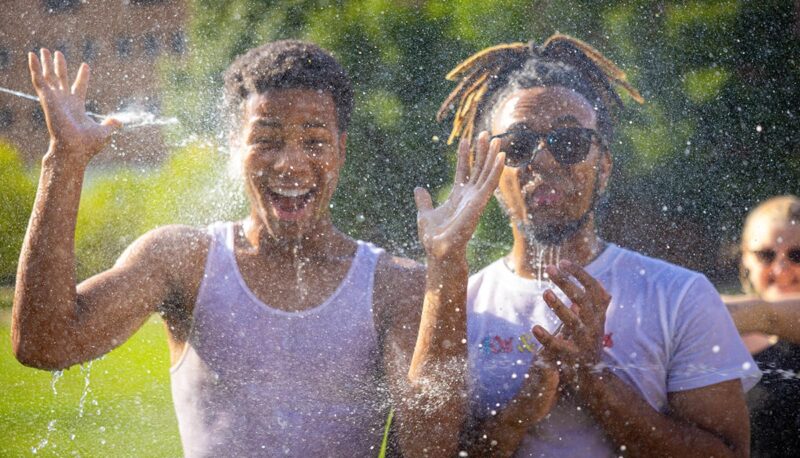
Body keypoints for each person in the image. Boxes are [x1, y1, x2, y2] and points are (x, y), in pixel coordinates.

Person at [12, 41, 506, 456]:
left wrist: (447, 265)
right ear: (234, 146)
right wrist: (65, 160)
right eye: (266, 140)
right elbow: (45, 343)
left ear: (341, 149)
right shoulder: (184, 261)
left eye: (314, 141)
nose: (290, 163)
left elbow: (429, 449)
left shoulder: (396, 286)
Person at [437, 34, 761, 457]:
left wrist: (594, 379)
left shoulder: (680, 295)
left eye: (570, 143)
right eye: (517, 146)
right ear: (491, 172)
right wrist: (520, 412)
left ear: (603, 166)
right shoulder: (460, 306)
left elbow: (729, 453)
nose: (545, 161)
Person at [724, 195, 800, 457]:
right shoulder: (720, 338)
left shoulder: (718, 320)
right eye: (766, 255)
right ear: (745, 258)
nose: (781, 269)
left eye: (797, 255)